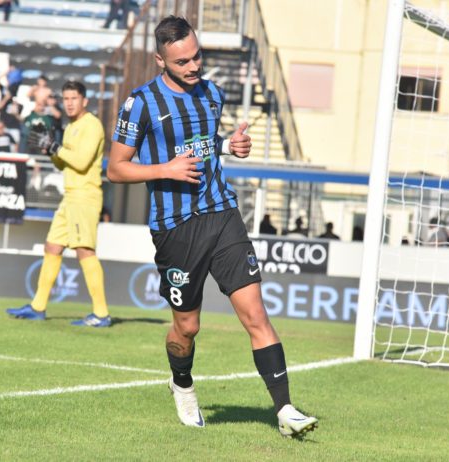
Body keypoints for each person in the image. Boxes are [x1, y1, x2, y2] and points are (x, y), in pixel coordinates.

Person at [106, 16, 317, 437]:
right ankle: (182, 383)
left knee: (255, 314)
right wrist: (165, 169)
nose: (194, 66)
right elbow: (115, 169)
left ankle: (285, 410)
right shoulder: (141, 103)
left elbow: (205, 146)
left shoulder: (212, 94)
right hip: (175, 227)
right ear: (160, 61)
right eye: (182, 61)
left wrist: (231, 146)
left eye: (197, 56)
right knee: (187, 327)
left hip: (222, 215)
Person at [6, 81, 111, 328]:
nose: (70, 103)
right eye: (66, 98)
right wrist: (50, 148)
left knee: (84, 250)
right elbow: (62, 164)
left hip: (85, 197)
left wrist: (56, 146)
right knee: (52, 247)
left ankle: (101, 313)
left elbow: (82, 162)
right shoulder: (71, 126)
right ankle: (38, 307)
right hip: (70, 197)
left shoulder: (92, 125)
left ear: (84, 101)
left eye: (74, 98)